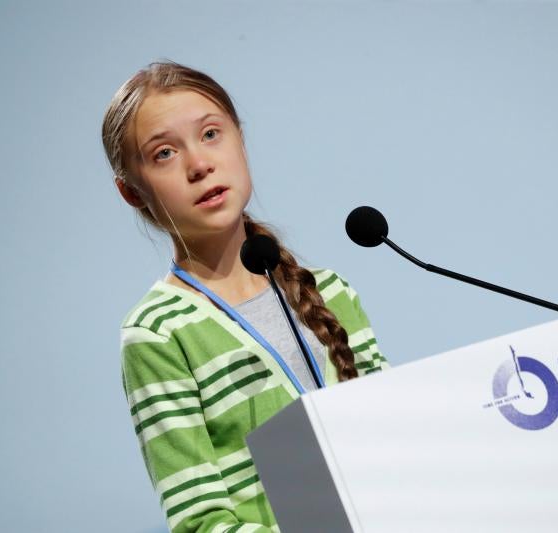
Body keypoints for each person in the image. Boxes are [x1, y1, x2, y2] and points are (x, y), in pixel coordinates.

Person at [101, 61, 390, 533]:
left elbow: (400, 437)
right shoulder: (157, 332)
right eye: (165, 153)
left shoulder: (331, 290)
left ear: (240, 139)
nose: (199, 164)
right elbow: (201, 520)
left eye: (211, 134)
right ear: (132, 192)